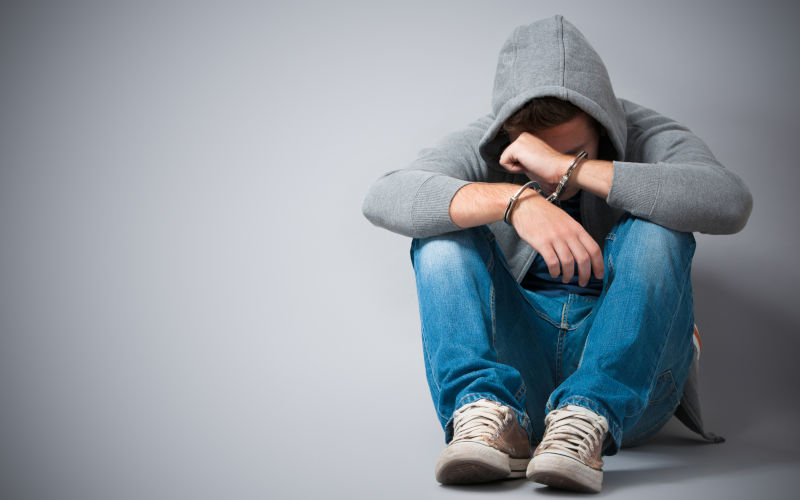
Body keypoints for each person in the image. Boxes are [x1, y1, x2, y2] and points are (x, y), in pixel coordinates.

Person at [361, 15, 752, 493]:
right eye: (535, 159)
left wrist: (571, 169)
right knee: (441, 235)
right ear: (507, 132)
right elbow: (385, 196)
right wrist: (514, 201)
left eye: (575, 151)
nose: (551, 182)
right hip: (520, 378)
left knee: (662, 231)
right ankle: (485, 414)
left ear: (605, 125)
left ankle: (589, 415)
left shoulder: (646, 133)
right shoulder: (485, 141)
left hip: (634, 382)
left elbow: (729, 201)